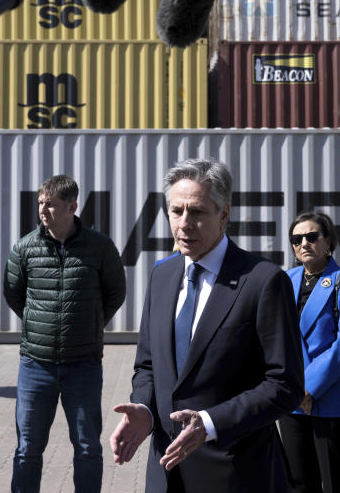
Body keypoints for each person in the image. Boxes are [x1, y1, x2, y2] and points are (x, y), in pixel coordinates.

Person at [109, 158, 305, 493]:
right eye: (176, 211)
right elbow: (147, 365)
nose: (184, 223)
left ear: (224, 214)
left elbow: (285, 385)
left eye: (197, 212)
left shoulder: (263, 281)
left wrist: (210, 423)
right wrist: (143, 407)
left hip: (236, 474)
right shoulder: (162, 275)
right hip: (166, 472)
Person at [3, 175, 126, 493]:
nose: (43, 210)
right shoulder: (25, 247)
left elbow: (115, 293)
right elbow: (14, 295)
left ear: (72, 206)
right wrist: (39, 324)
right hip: (36, 365)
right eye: (40, 203)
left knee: (87, 448)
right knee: (28, 449)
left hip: (83, 365)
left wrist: (90, 324)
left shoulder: (99, 247)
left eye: (51, 204)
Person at [278, 211, 340, 493]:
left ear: (328, 242)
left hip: (329, 397)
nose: (304, 243)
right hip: (291, 399)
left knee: (334, 482)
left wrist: (310, 388)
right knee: (298, 482)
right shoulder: (285, 279)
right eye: (297, 238)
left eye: (312, 236)